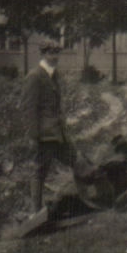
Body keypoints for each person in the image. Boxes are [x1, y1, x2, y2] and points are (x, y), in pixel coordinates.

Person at [28, 42, 77, 213]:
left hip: (58, 133)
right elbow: (29, 108)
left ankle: (85, 199)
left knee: (76, 161)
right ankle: (35, 212)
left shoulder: (53, 75)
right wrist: (34, 137)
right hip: (45, 135)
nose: (55, 57)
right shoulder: (35, 76)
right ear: (43, 54)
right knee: (39, 171)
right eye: (51, 53)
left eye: (57, 53)